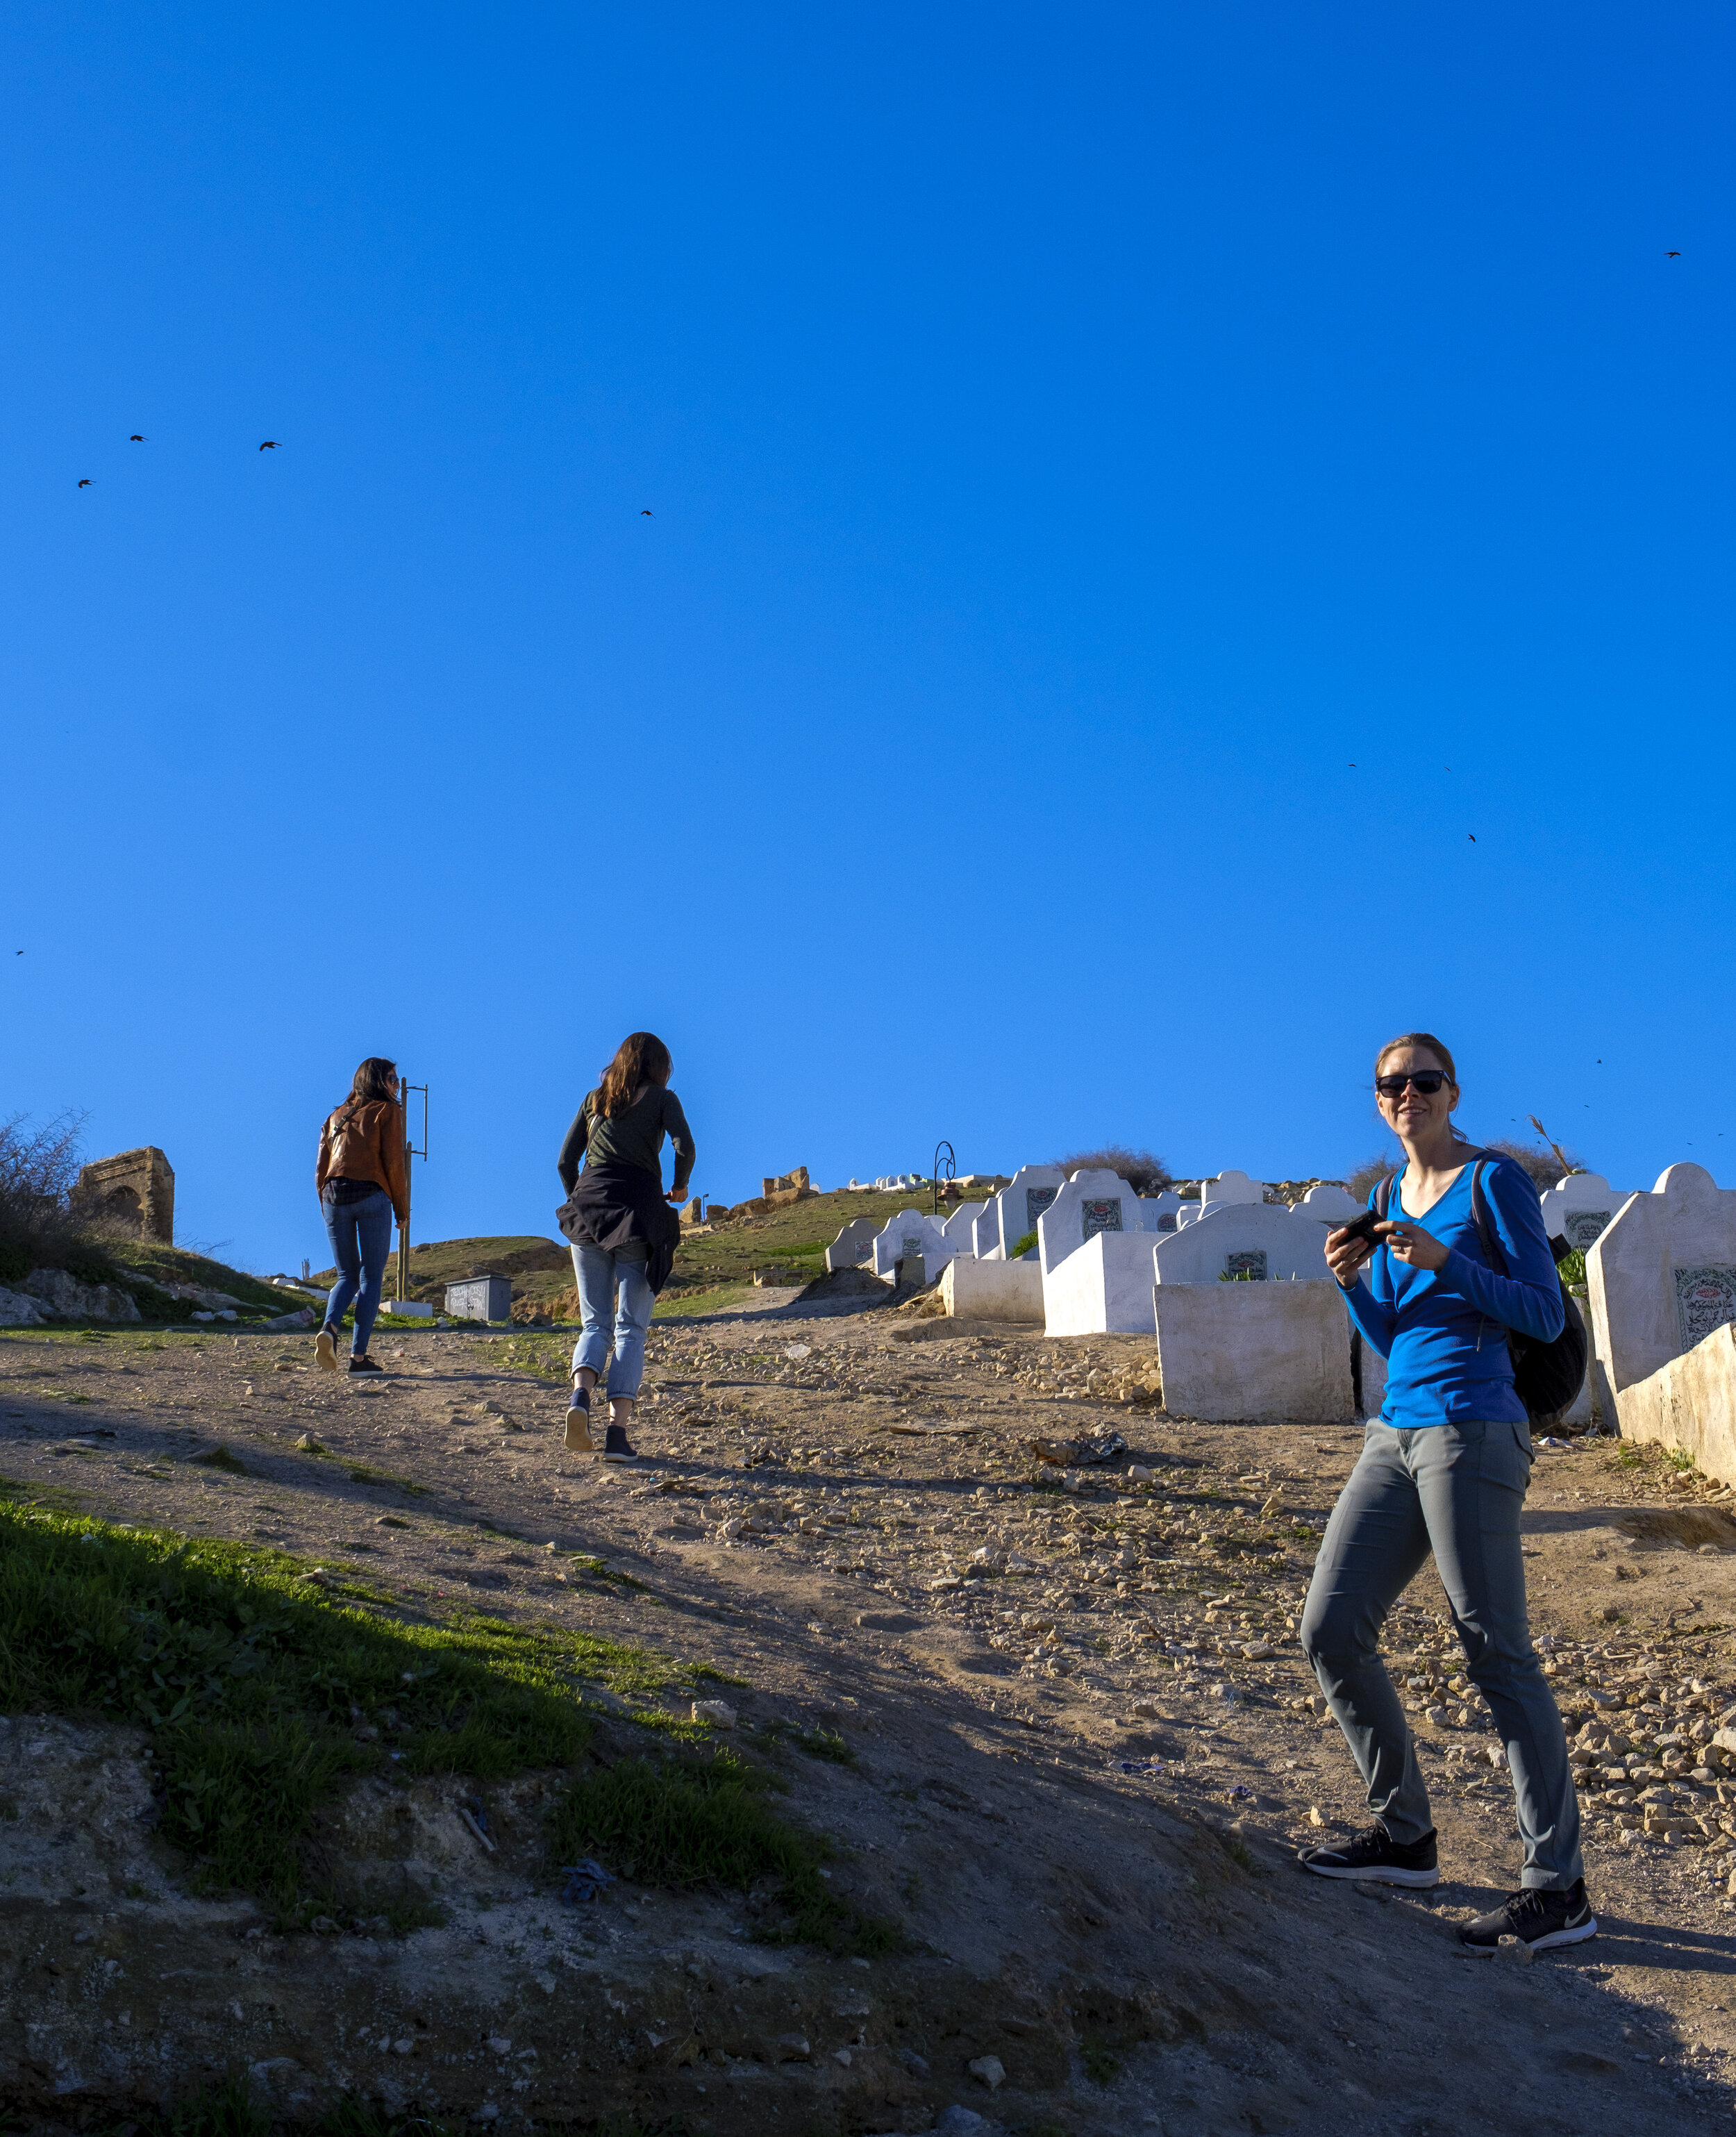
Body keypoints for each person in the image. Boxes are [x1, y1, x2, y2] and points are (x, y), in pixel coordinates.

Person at [1299, 1031, 1596, 1955]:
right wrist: (1353, 1285)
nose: (1408, 1094)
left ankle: (1559, 1889)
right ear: (1378, 1099)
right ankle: (1406, 1837)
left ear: (1454, 1091)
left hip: (1476, 1427)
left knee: (1495, 1650)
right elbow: (1396, 1335)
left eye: (1425, 1081)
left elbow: (1543, 1312)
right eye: (1392, 1085)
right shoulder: (1388, 1196)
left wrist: (1444, 1259)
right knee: (1330, 1627)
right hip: (1397, 1429)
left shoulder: (1491, 1182)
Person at [555, 1031, 694, 1462]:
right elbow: (684, 1146)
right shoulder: (662, 1100)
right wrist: (679, 1185)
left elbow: (565, 1160)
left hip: (588, 1212)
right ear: (658, 1066)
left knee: (593, 1324)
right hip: (637, 1212)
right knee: (630, 1328)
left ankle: (580, 1398)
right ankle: (618, 1435)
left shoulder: (594, 1099)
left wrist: (578, 1197)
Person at [313, 1058, 409, 1378]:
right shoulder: (388, 1111)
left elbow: (320, 1169)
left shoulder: (334, 1116)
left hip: (333, 1197)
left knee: (346, 1276)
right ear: (378, 1081)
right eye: (392, 1079)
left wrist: (326, 1205)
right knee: (370, 1277)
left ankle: (329, 1328)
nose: (397, 1085)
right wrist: (402, 1210)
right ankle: (358, 1358)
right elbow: (394, 1162)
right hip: (371, 1193)